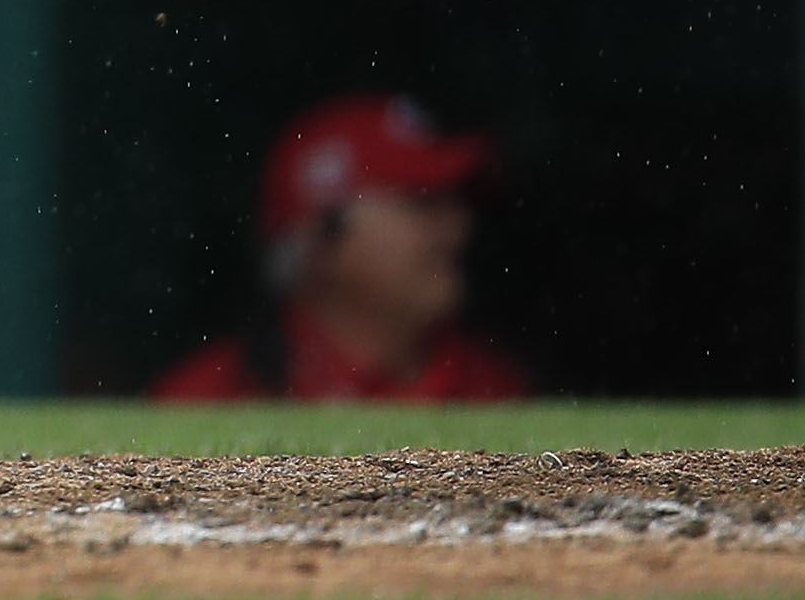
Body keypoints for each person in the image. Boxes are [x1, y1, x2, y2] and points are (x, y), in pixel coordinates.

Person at [155, 95, 529, 402]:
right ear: (321, 238)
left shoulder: (497, 389)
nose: (458, 229)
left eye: (456, 204)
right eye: (422, 202)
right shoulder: (213, 399)